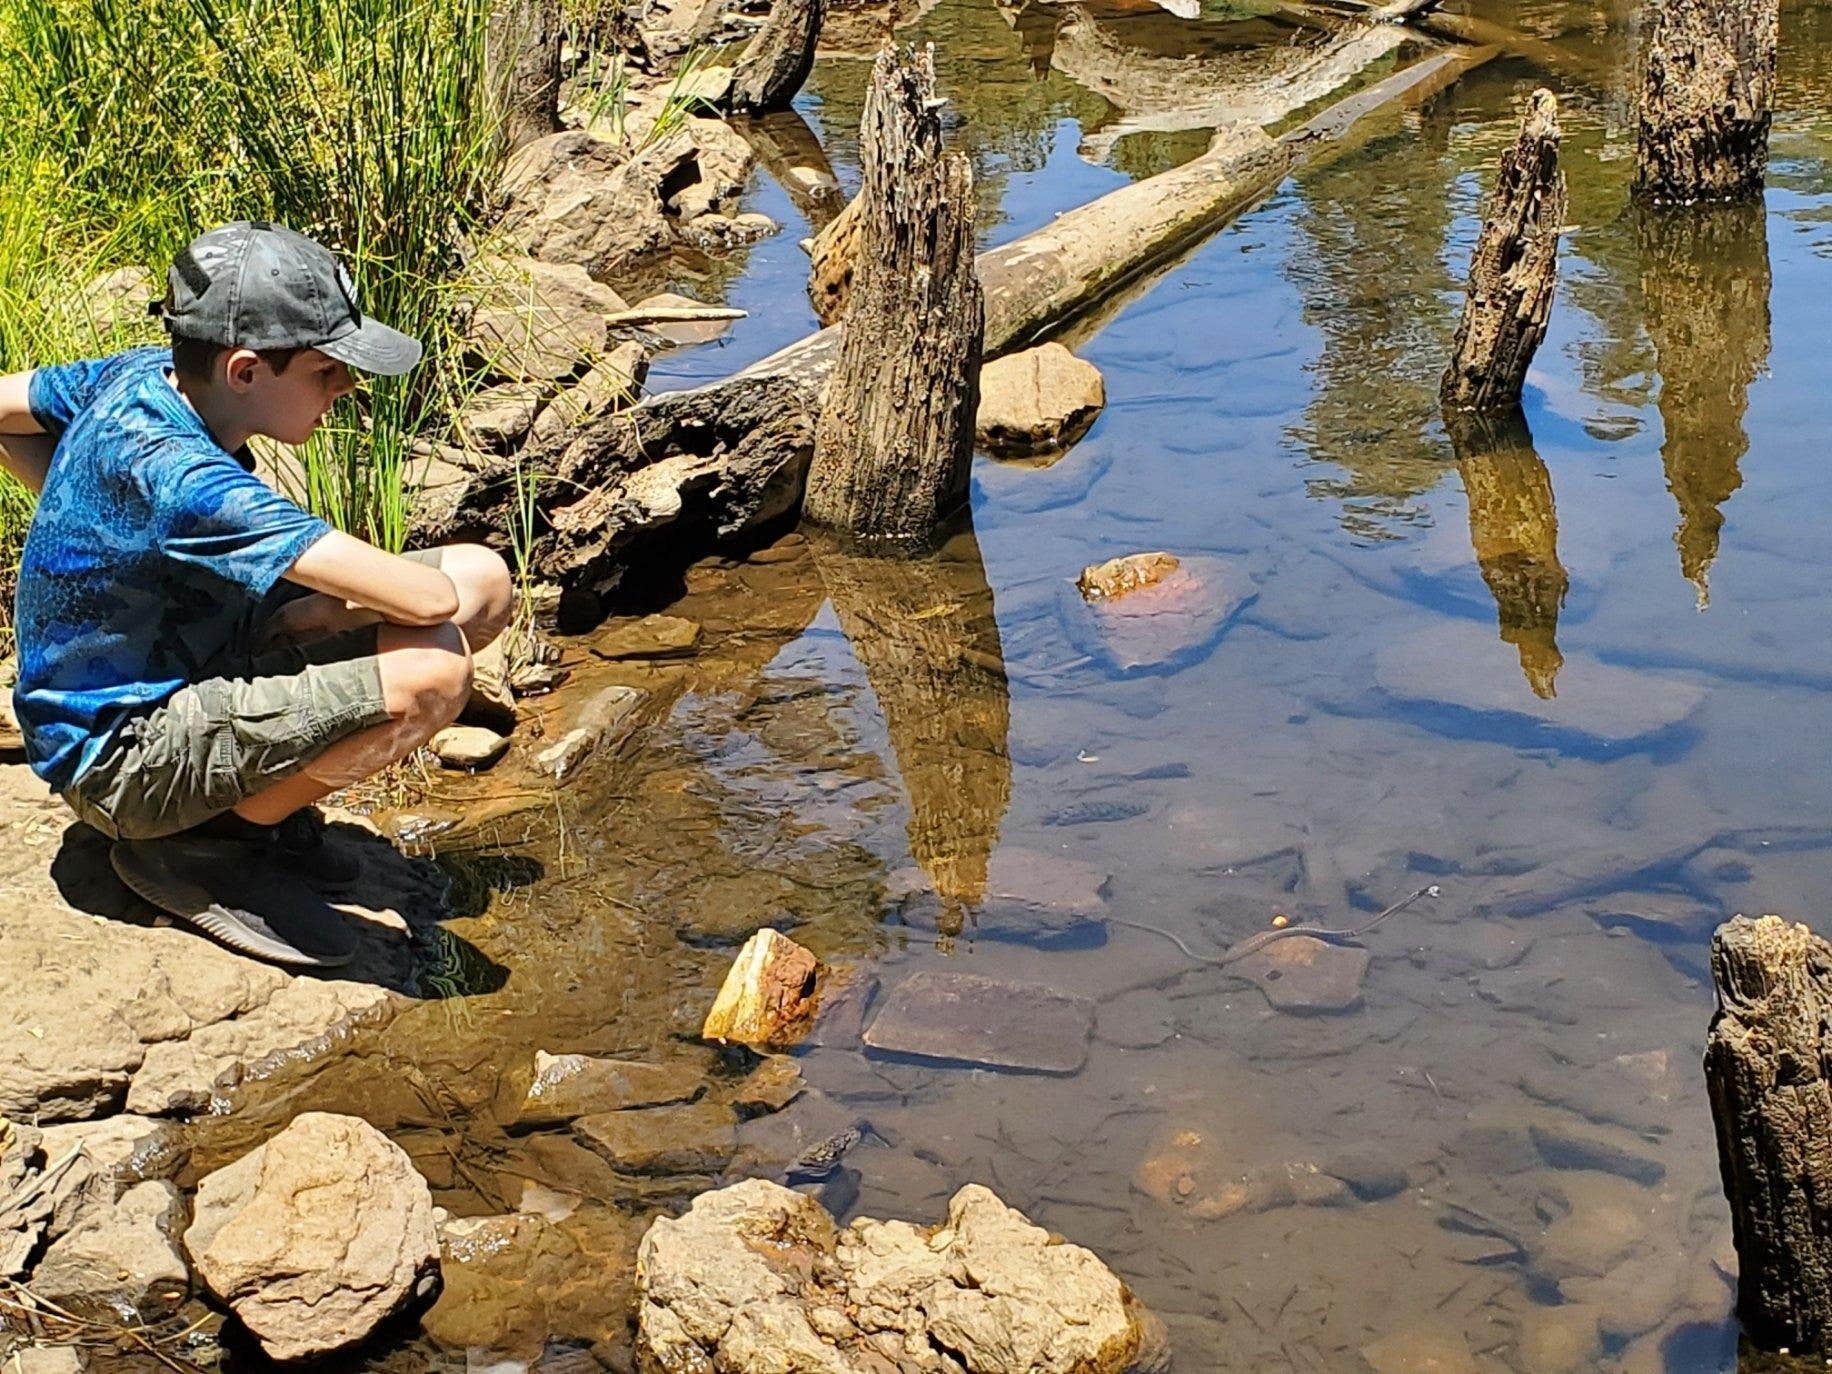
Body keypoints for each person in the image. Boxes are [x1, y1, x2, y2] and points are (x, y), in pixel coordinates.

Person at [0, 221, 512, 964]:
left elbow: (4, 408)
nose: (345, 386)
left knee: (485, 583)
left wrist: (92, 513)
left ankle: (248, 808)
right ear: (243, 371)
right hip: (120, 758)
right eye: (325, 370)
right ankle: (208, 845)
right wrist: (315, 612)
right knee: (434, 671)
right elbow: (425, 603)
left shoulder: (145, 374)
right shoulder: (183, 478)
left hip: (188, 654)